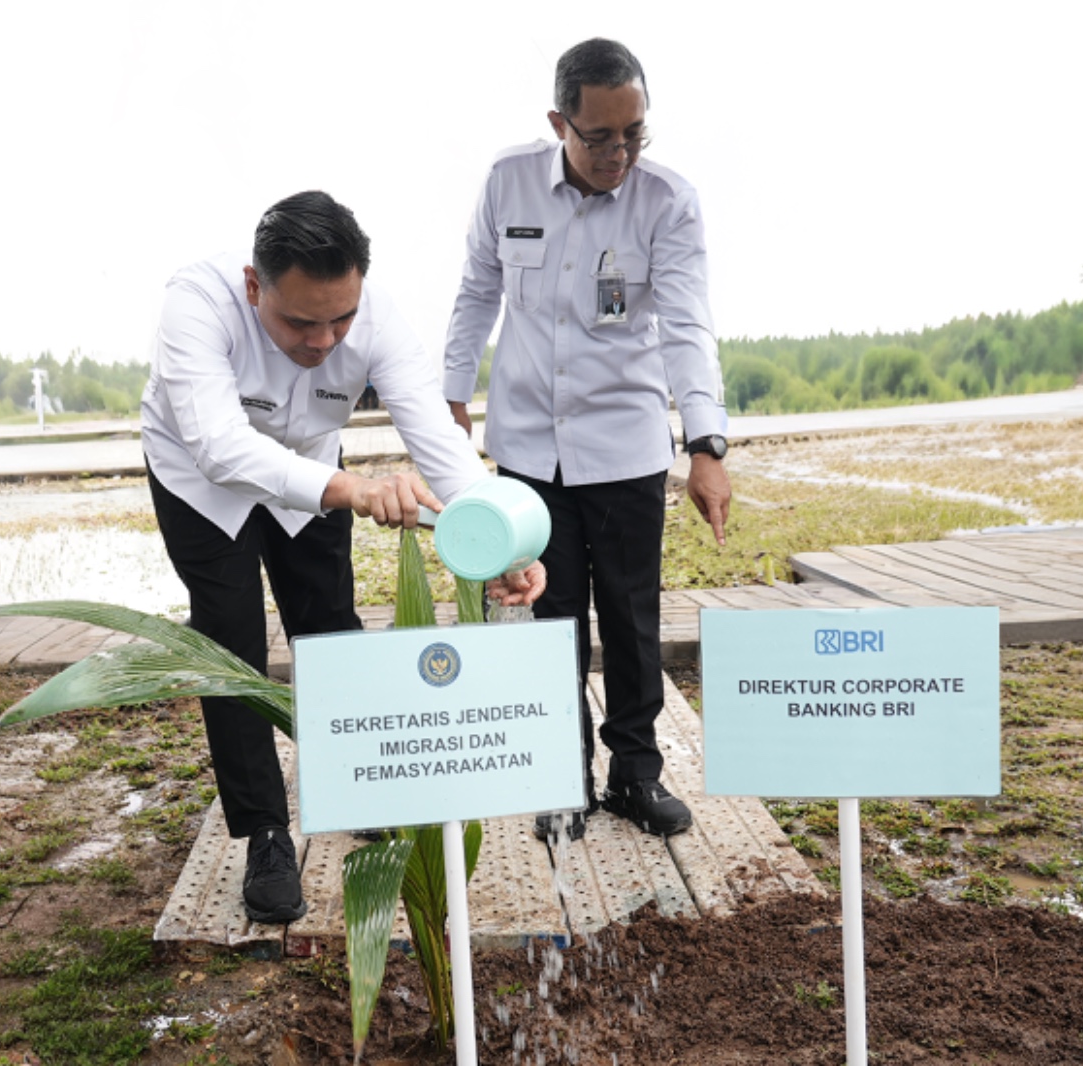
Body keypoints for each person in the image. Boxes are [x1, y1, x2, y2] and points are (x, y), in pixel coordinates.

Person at [142, 191, 545, 922]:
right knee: (230, 641)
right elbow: (217, 444)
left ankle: (359, 785)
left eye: (341, 319)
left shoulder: (378, 318)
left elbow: (438, 445)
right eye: (301, 322)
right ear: (254, 285)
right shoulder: (195, 304)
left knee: (328, 622)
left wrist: (502, 539)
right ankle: (265, 832)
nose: (325, 340)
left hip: (314, 473)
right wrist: (352, 489)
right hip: (201, 482)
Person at [443, 38, 731, 842]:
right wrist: (449, 394)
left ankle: (635, 774)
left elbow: (686, 325)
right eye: (600, 136)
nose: (620, 153)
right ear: (558, 122)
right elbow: (475, 293)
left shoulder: (667, 200)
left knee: (633, 619)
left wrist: (705, 441)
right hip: (530, 448)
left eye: (634, 133)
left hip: (625, 445)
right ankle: (559, 778)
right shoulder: (509, 183)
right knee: (549, 619)